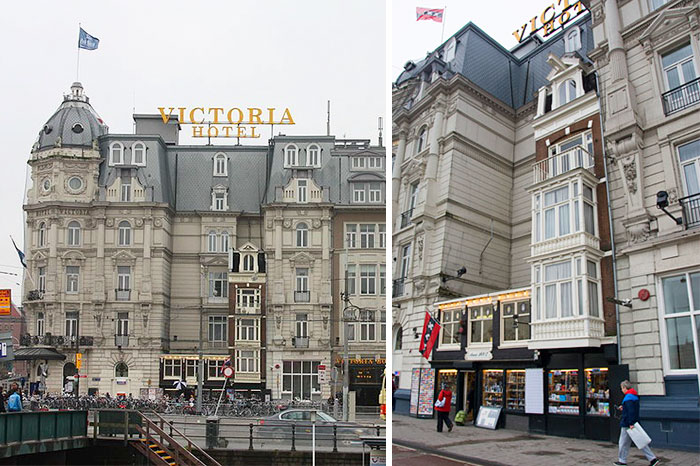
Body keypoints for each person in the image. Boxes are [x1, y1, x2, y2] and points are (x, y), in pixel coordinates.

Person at [614, 380, 659, 466]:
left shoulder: (628, 398)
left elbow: (631, 411)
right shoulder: (634, 396)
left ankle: (622, 461)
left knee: (623, 443)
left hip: (627, 424)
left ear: (624, 388)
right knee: (640, 442)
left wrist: (630, 423)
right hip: (633, 423)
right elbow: (632, 409)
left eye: (622, 388)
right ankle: (652, 459)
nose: (621, 390)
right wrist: (624, 408)